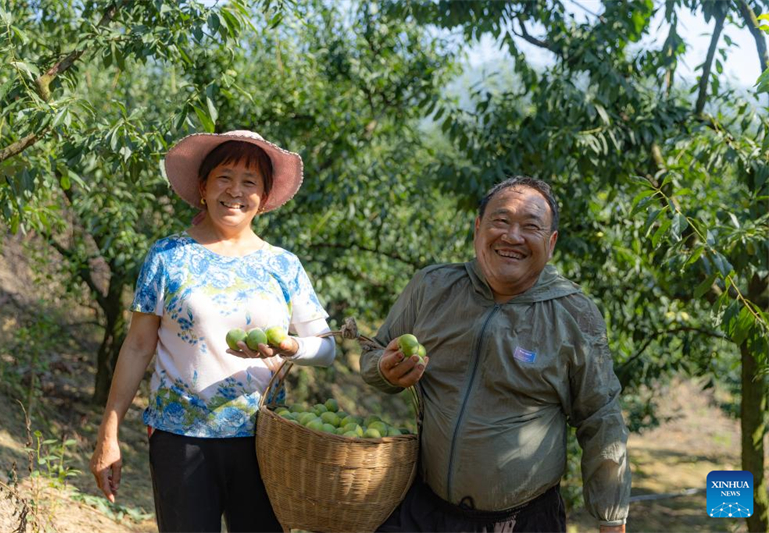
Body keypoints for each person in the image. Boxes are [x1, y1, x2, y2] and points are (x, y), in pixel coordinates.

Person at [89, 130, 336, 533]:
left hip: (264, 442)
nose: (235, 191)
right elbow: (137, 346)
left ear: (264, 196)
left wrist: (290, 346)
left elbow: (327, 349)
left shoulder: (283, 266)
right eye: (224, 177)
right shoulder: (167, 256)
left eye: (249, 181)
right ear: (203, 186)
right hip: (179, 439)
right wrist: (108, 434)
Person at [361, 176, 630, 533]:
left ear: (551, 243)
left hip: (521, 522)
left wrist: (610, 520)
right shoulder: (432, 287)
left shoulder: (573, 315)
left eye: (530, 227)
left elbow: (601, 419)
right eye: (501, 221)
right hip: (422, 510)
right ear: (478, 229)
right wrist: (383, 369)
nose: (512, 236)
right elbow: (373, 353)